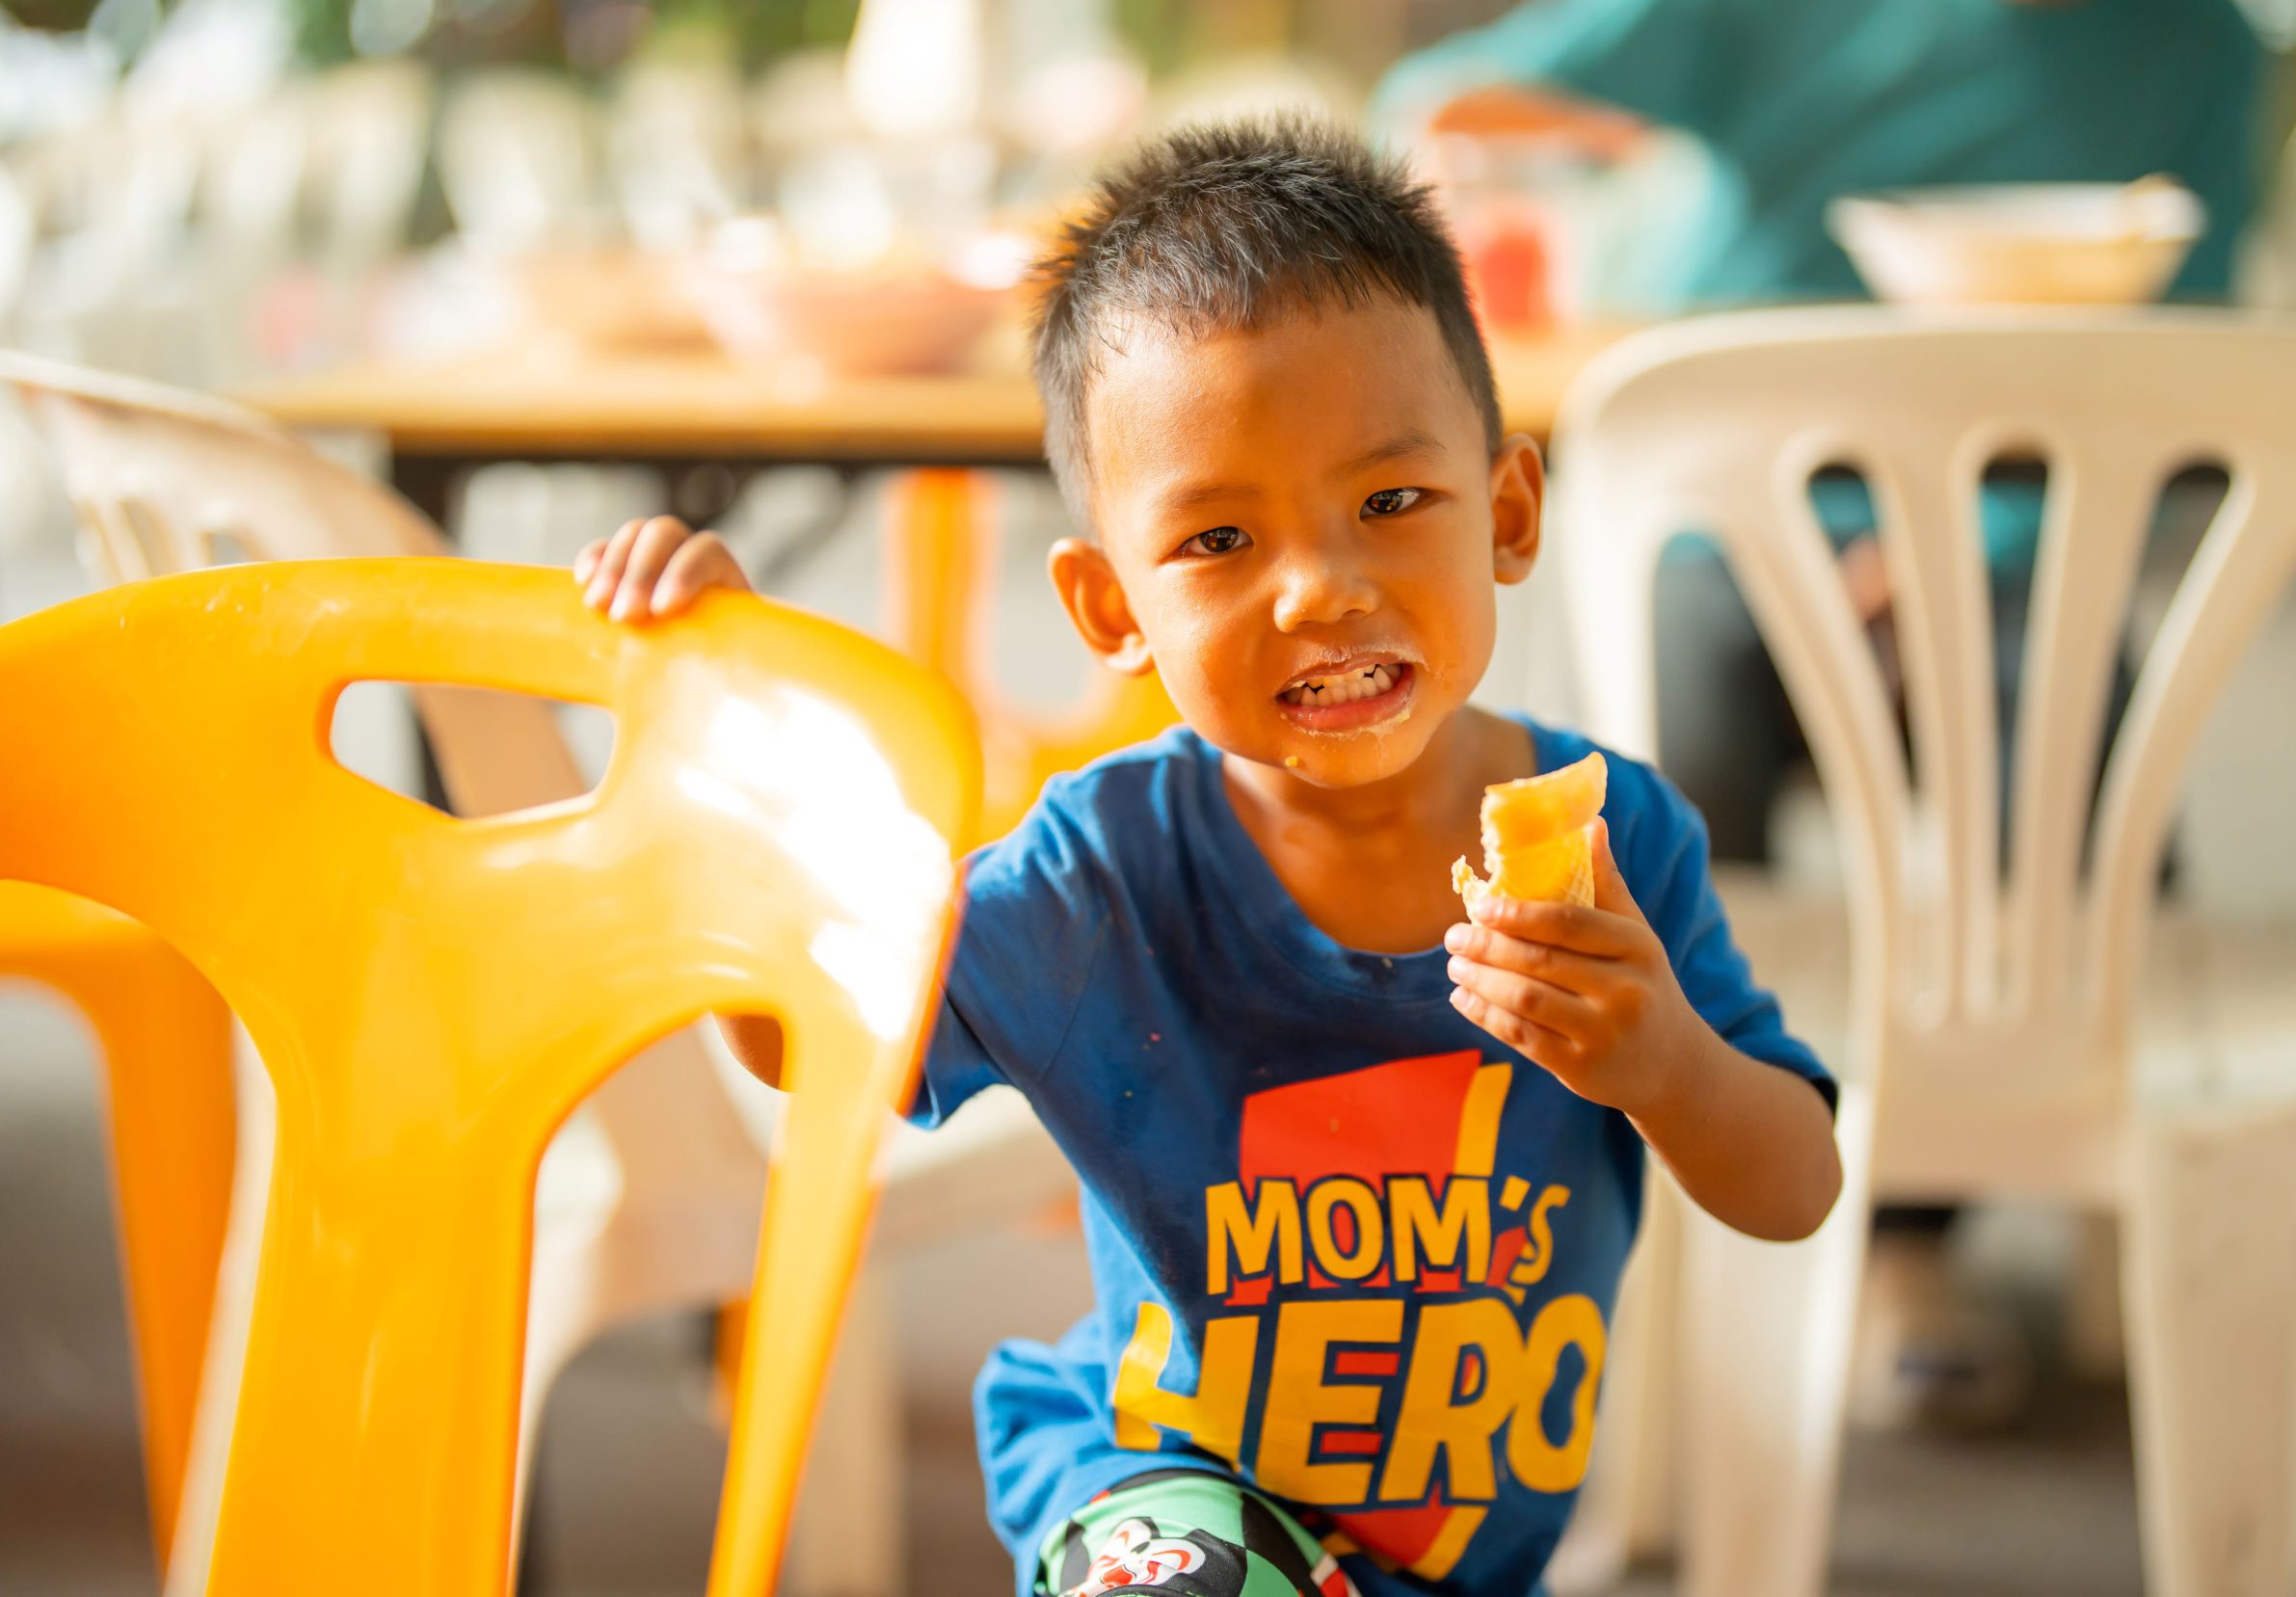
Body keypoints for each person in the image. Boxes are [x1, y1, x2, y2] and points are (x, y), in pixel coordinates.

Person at [574, 120, 1840, 1597]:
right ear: (1113, 610)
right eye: (1221, 540)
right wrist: (735, 738)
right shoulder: (1099, 878)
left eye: (1389, 503)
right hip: (1161, 1500)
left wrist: (1665, 1063)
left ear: (1505, 513)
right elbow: (811, 1039)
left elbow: (1795, 1185)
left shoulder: (1616, 845)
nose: (1321, 590)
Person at [1376, 0, 2262, 1427]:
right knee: (1662, 804)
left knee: (2070, 781)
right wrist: (1599, 139)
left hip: (2011, 537)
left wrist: (1936, 549)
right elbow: (1433, 101)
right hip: (1735, 521)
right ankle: (1641, 1192)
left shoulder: (2199, 44)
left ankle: (1911, 1237)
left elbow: (2193, 370)